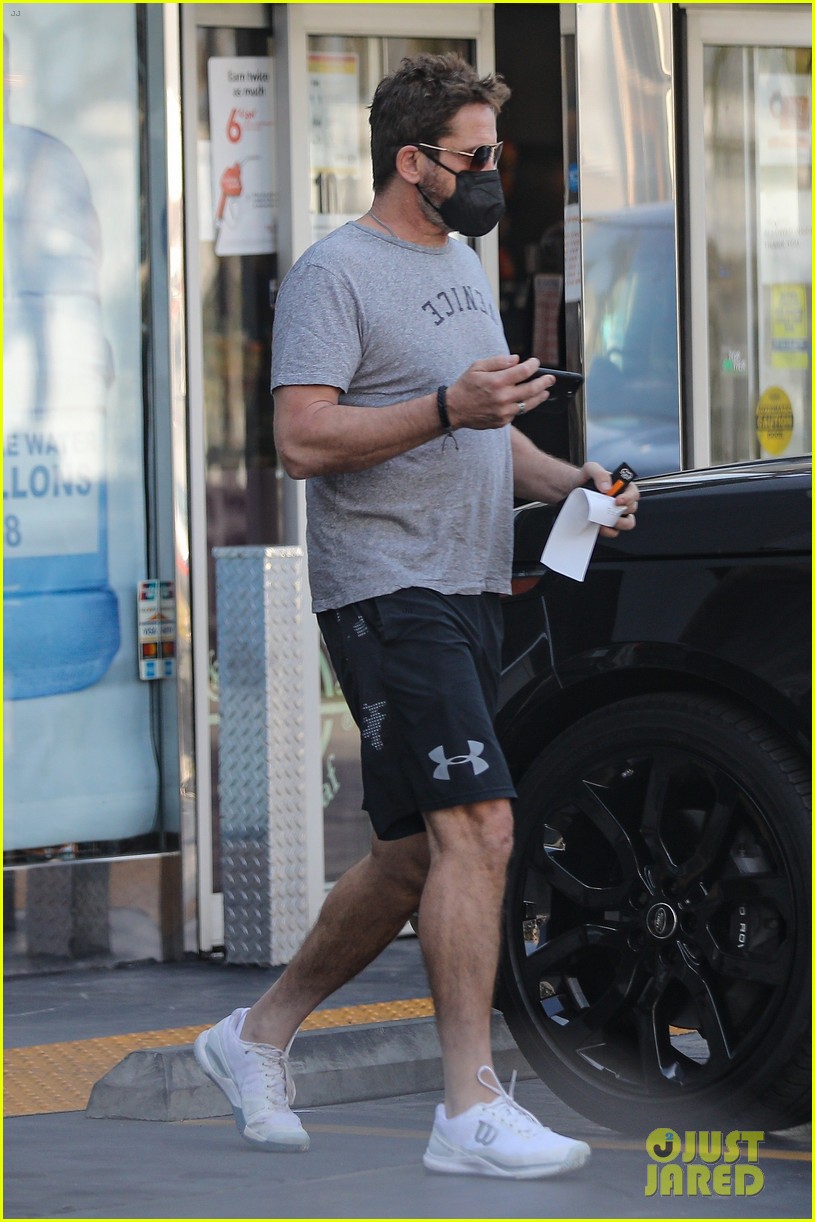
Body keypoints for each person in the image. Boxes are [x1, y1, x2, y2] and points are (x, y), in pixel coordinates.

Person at [194, 52, 639, 1180]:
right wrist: (445, 405)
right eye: (475, 155)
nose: (494, 173)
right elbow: (302, 438)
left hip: (469, 581)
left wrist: (570, 483)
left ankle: (254, 1035)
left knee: (407, 858)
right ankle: (468, 1108)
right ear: (412, 160)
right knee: (480, 827)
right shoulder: (334, 274)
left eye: (497, 153)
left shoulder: (460, 264)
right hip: (387, 588)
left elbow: (486, 431)